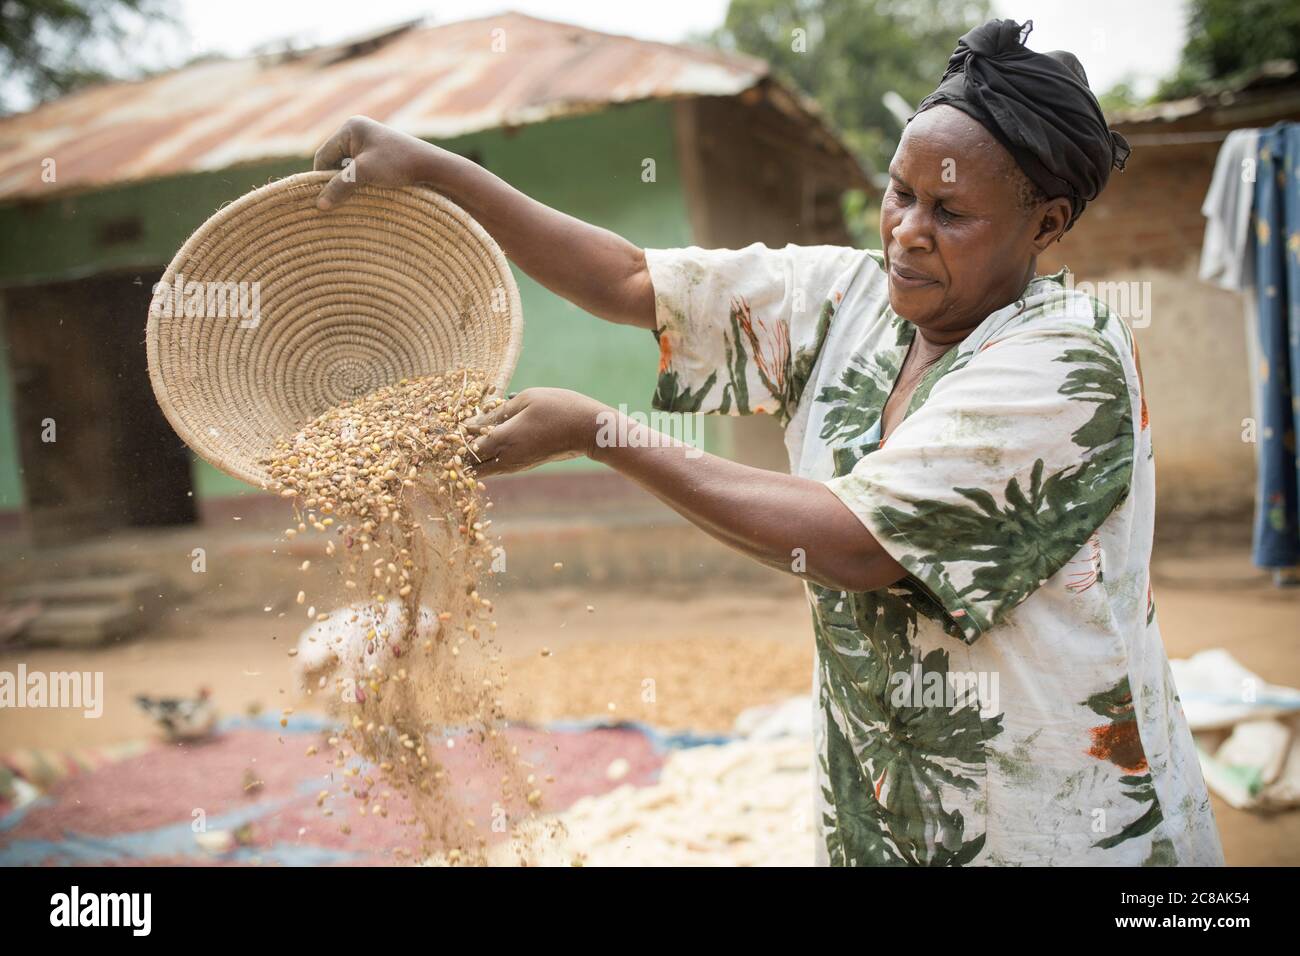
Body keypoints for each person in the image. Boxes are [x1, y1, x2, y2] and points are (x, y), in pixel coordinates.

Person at [312, 18, 1223, 866]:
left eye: (950, 215)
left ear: (1047, 224)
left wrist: (600, 432)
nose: (907, 230)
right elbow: (632, 279)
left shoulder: (1066, 361)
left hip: (1057, 819)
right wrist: (434, 169)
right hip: (886, 809)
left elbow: (856, 542)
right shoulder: (849, 300)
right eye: (900, 193)